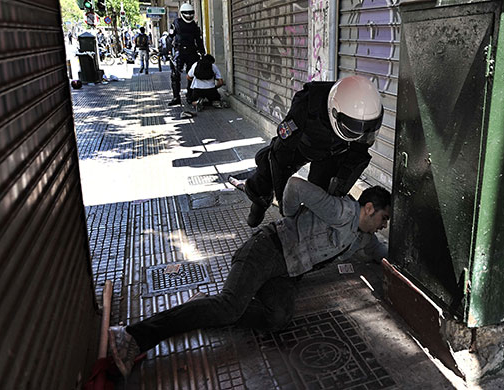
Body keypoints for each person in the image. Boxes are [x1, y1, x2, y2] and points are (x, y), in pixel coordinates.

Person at [108, 176, 391, 377]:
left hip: (287, 272)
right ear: (369, 208)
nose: (384, 225)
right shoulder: (343, 211)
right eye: (384, 218)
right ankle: (132, 335)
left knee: (278, 317)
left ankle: (207, 307)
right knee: (229, 307)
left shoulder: (361, 239)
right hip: (267, 249)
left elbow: (383, 252)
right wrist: (290, 219)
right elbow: (294, 186)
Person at [242, 75, 384, 228]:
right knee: (268, 170)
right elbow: (281, 156)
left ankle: (311, 227)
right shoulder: (306, 104)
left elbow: (358, 155)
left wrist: (337, 191)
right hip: (301, 146)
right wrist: (285, 204)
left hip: (333, 152)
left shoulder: (369, 117)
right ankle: (259, 203)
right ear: (334, 111)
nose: (359, 136)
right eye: (353, 130)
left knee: (321, 195)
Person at [167, 3, 206, 106]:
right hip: (179, 52)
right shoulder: (176, 23)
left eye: (190, 13)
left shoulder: (194, 25)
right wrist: (168, 51)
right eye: (186, 13)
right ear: (182, 13)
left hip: (192, 52)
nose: (188, 15)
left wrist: (202, 51)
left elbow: (199, 40)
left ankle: (190, 96)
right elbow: (170, 38)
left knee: (192, 75)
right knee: (175, 75)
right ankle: (176, 97)